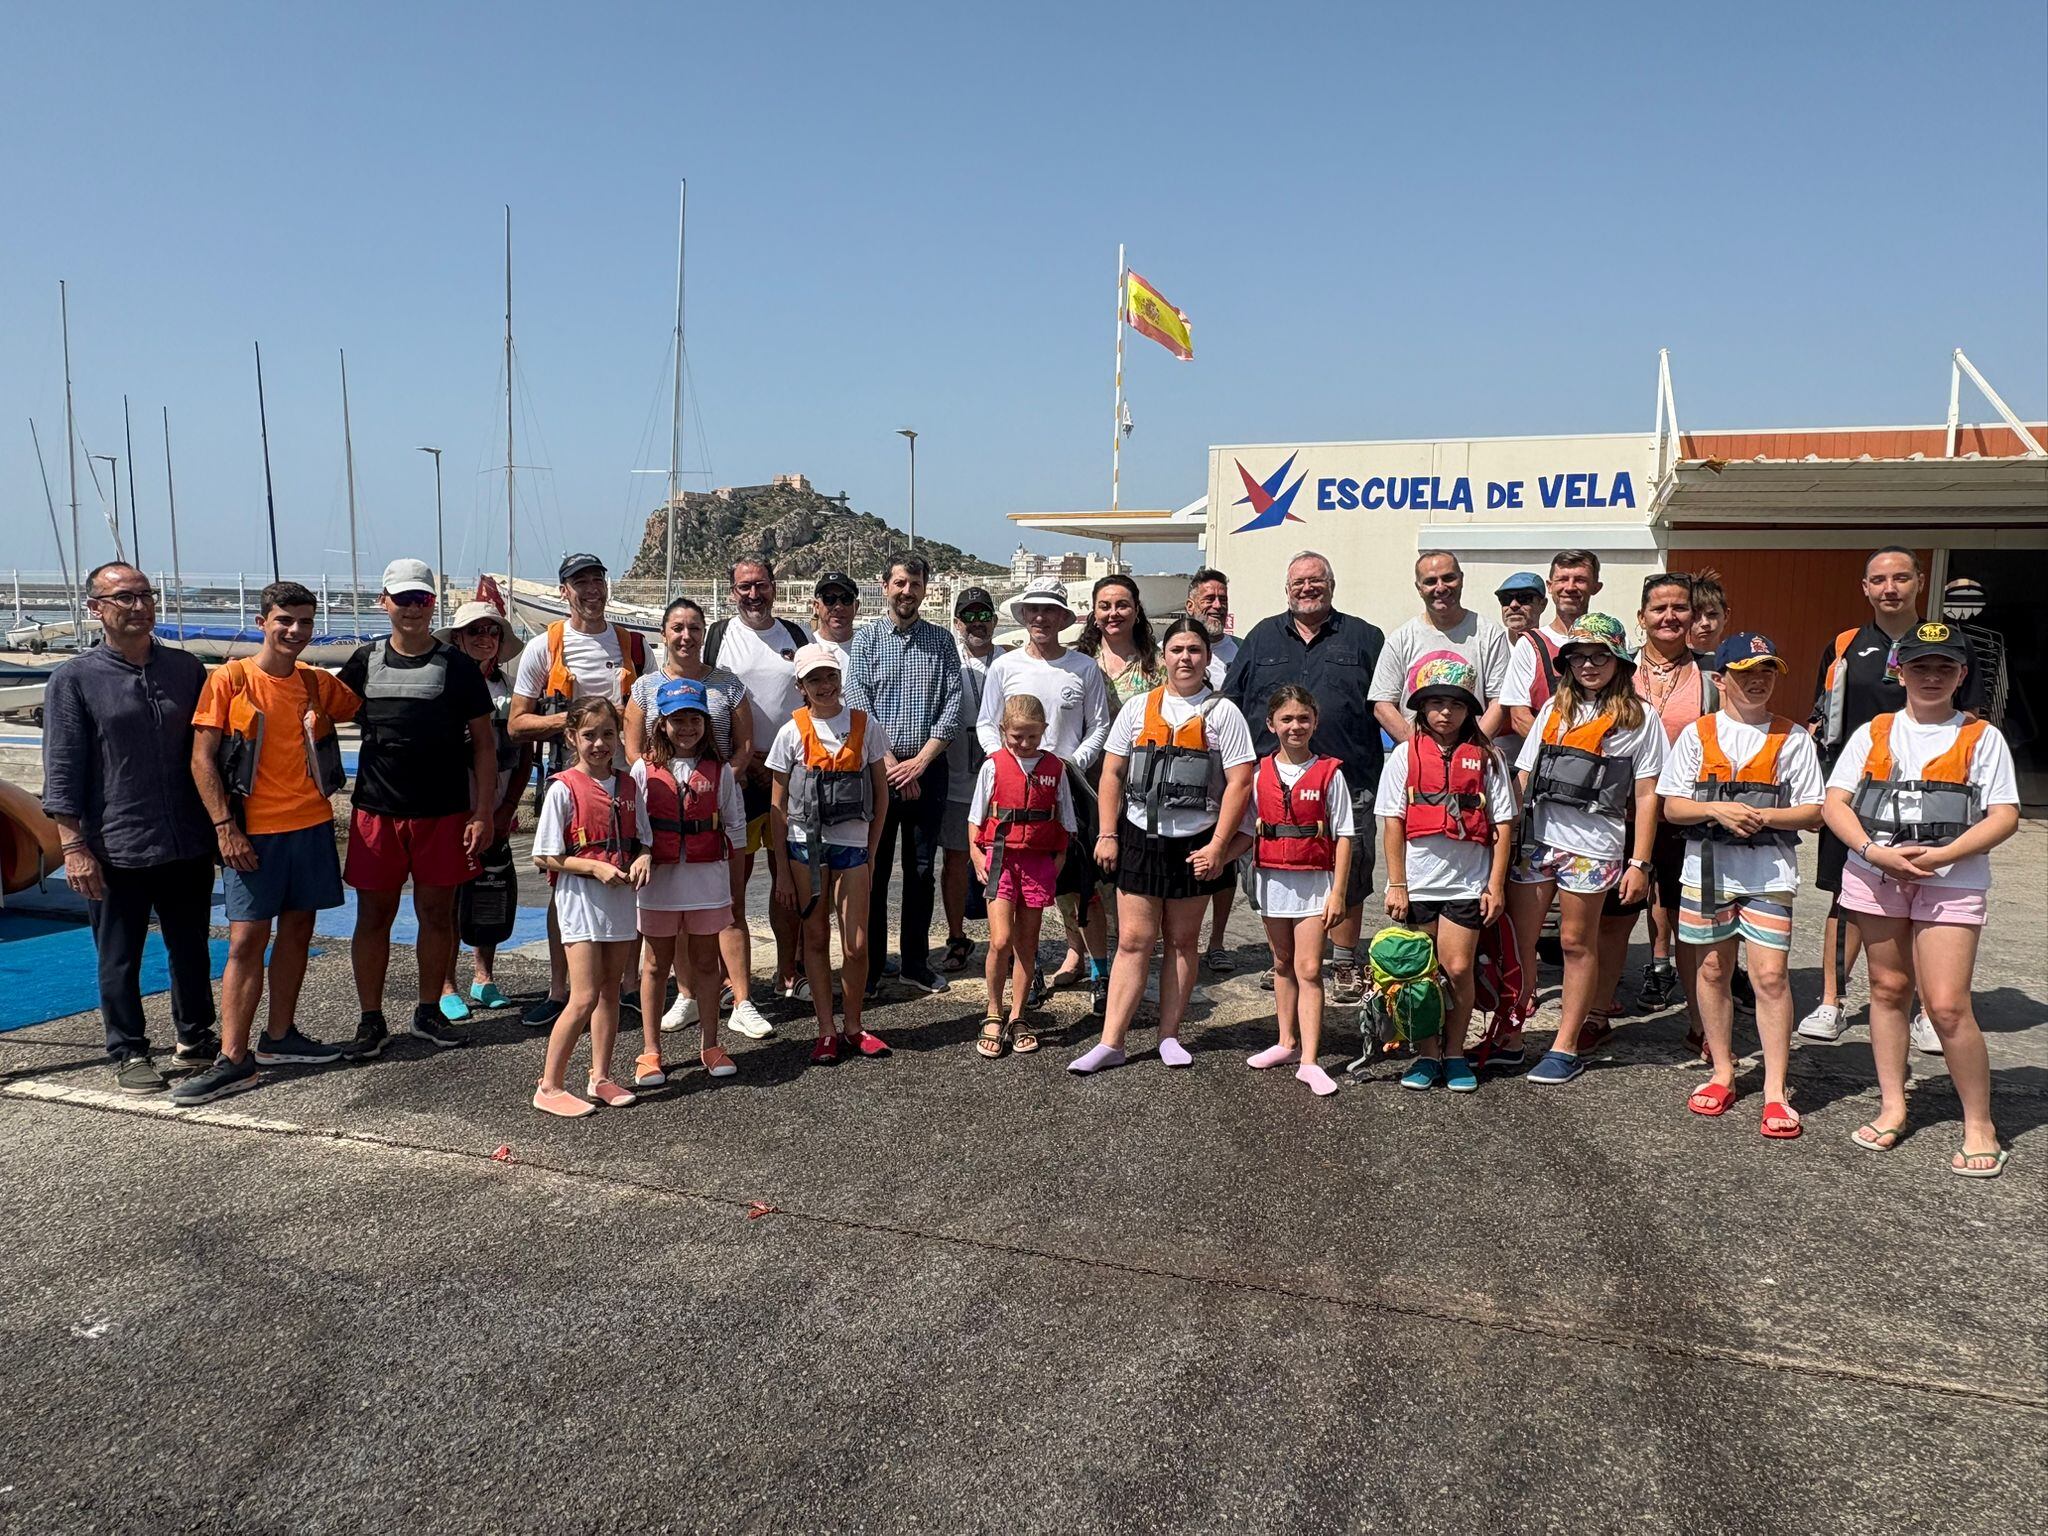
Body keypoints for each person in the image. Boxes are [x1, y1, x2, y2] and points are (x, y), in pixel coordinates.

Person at [1822, 620, 2019, 1177]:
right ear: (1900, 671)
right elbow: (1835, 802)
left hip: (1951, 880)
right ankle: (1893, 1104)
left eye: (1944, 667)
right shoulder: (1874, 731)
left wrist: (1943, 855)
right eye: (1920, 666)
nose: (1932, 676)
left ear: (1961, 674)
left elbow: (2004, 815)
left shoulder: (1983, 738)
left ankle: (1979, 1123)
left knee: (1948, 1004)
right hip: (1876, 874)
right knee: (1887, 989)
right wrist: (1872, 852)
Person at [175, 581, 361, 1105]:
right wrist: (224, 827)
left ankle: (280, 1035)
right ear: (262, 623)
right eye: (284, 620)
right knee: (245, 941)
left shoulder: (316, 682)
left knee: (298, 930)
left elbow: (371, 705)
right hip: (252, 832)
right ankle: (233, 1057)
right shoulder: (230, 679)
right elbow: (201, 759)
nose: (295, 631)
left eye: (305, 622)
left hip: (312, 825)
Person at [1799, 547, 1988, 1048]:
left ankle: (1926, 1010)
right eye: (1879, 580)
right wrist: (1824, 793)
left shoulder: (1949, 644)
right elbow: (1822, 719)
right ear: (1865, 588)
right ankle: (1832, 1001)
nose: (1890, 588)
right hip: (1858, 796)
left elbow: (1972, 720)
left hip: (1933, 796)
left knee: (1930, 902)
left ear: (1920, 582)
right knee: (1844, 898)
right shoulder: (1845, 644)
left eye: (1901, 578)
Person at [41, 562, 218, 1093]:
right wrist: (73, 847)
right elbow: (62, 770)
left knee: (192, 946)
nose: (138, 606)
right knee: (119, 956)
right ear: (96, 608)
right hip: (115, 844)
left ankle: (196, 1035)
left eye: (145, 595)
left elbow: (211, 751)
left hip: (186, 838)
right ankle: (128, 1050)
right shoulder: (74, 679)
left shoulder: (186, 669)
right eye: (124, 598)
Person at [1656, 633, 1825, 1138]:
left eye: (1767, 672)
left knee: (1770, 977)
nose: (1758, 681)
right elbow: (1672, 807)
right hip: (1707, 871)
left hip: (1769, 873)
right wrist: (1716, 809)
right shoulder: (1697, 734)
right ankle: (1723, 1070)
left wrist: (1761, 816)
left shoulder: (1794, 737)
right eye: (1746, 672)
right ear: (1720, 679)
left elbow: (1814, 812)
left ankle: (1775, 1090)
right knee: (1712, 970)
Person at [1069, 618, 1256, 1074]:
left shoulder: (1224, 714)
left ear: (1207, 657)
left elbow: (1240, 782)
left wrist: (1218, 847)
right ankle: (1111, 1042)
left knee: (1182, 941)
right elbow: (1112, 772)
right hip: (1140, 836)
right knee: (1133, 941)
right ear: (1164, 656)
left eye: (1194, 650)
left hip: (1196, 842)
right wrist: (1108, 834)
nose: (1185, 658)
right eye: (1177, 650)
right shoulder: (1138, 708)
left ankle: (1169, 1035)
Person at [337, 559, 496, 1057]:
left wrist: (483, 812)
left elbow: (484, 745)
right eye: (402, 599)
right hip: (376, 812)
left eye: (421, 599)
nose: (412, 608)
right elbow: (318, 717)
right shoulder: (363, 662)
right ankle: (370, 1019)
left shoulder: (458, 667)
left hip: (443, 813)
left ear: (433, 604)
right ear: (383, 602)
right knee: (373, 916)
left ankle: (429, 1011)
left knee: (437, 915)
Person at [1503, 615, 1664, 1086]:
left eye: (1599, 656)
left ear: (1620, 662)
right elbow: (1524, 776)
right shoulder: (1554, 709)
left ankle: (1565, 1046)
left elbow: (1647, 795)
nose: (1588, 665)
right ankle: (1509, 1037)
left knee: (1576, 942)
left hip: (1593, 848)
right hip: (1538, 842)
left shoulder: (1641, 718)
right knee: (1520, 941)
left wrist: (1640, 863)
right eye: (1578, 657)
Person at [1221, 550, 1386, 1004]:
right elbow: (1231, 702)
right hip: (1275, 784)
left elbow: (1386, 703)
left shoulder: (1365, 637)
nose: (1308, 588)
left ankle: (1345, 960)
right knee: (1275, 867)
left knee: (1350, 867)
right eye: (1299, 583)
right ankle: (1285, 960)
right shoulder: (1261, 638)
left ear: (1331, 585)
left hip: (1348, 780)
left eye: (1316, 581)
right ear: (1287, 589)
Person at [509, 552, 648, 1028]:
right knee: (562, 885)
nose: (591, 590)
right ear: (564, 591)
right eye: (580, 582)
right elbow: (517, 724)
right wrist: (576, 722)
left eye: (597, 580)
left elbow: (649, 709)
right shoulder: (543, 647)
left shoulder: (634, 645)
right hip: (568, 782)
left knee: (630, 877)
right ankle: (559, 989)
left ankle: (628, 986)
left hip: (625, 781)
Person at [622, 596, 770, 1041]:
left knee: (730, 909)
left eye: (694, 628)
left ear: (704, 633)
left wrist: (717, 781)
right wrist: (667, 786)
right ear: (664, 633)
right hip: (664, 818)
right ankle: (686, 995)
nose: (686, 636)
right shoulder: (645, 688)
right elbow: (633, 751)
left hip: (717, 809)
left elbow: (744, 745)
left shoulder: (728, 684)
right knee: (679, 918)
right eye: (677, 628)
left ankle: (741, 1000)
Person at [1377, 656, 1517, 1092]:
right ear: (1421, 707)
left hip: (1467, 883)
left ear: (1469, 710)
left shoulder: (1488, 757)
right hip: (1419, 883)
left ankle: (1454, 1053)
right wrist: (1397, 883)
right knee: (1422, 974)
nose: (1445, 713)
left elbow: (1503, 823)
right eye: (1436, 703)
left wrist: (1495, 885)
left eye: (1456, 704)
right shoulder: (1404, 755)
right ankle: (1426, 1054)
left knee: (1457, 968)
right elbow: (1393, 821)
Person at [976, 577, 1115, 1011]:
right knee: (1022, 895)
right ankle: (1029, 969)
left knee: (1083, 889)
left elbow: (1100, 725)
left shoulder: (1084, 667)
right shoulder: (1005, 666)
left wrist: (1073, 762)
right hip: (1016, 796)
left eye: (1049, 610)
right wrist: (1006, 764)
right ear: (1023, 616)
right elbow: (987, 723)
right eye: (1033, 610)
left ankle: (1100, 972)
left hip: (1067, 787)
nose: (1041, 618)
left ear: (1062, 617)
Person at [1603, 574, 1719, 1032]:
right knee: (1613, 918)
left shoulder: (1712, 677)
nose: (1670, 617)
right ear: (1641, 617)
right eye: (1659, 609)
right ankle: (1597, 1012)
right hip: (1623, 812)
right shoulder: (1618, 671)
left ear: (1693, 615)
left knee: (1687, 919)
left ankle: (1701, 1023)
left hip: (1684, 814)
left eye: (1679, 608)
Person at [846, 552, 962, 996]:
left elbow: (952, 706)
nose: (906, 592)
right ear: (885, 586)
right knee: (873, 870)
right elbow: (859, 705)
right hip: (880, 770)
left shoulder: (942, 641)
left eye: (914, 584)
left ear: (925, 589)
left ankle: (915, 962)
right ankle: (872, 967)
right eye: (899, 583)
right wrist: (891, 763)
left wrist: (921, 762)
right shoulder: (867, 640)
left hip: (927, 770)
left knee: (920, 870)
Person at [530, 697, 651, 1117]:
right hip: (581, 900)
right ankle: (549, 1086)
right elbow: (545, 855)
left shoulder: (630, 786)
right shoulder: (563, 788)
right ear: (571, 738)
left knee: (610, 990)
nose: (600, 744)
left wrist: (643, 858)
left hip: (620, 900)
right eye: (589, 735)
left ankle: (600, 1076)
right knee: (582, 996)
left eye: (608, 734)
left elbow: (644, 840)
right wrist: (594, 868)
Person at [769, 645, 891, 1062]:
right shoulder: (791, 733)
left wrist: (872, 852)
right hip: (806, 846)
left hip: (853, 847)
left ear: (840, 678)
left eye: (830, 676)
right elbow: (778, 807)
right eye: (814, 679)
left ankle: (854, 1025)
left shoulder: (865, 725)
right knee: (816, 937)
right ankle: (826, 1030)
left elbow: (881, 794)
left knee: (856, 944)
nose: (825, 686)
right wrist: (782, 871)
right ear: (801, 686)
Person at [701, 557, 812, 1001]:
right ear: (733, 592)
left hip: (790, 776)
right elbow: (705, 705)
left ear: (774, 587)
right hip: (739, 779)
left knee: (789, 882)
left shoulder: (796, 636)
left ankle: (788, 972)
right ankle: (732, 978)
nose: (753, 594)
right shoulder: (717, 637)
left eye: (760, 585)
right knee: (734, 884)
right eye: (744, 587)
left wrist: (783, 763)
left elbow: (810, 699)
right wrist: (742, 763)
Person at [632, 678, 748, 1087]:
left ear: (706, 723)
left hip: (707, 881)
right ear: (661, 724)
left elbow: (735, 826)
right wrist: (641, 853)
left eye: (694, 719)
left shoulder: (721, 771)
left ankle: (711, 1044)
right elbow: (636, 826)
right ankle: (650, 1051)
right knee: (654, 965)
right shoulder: (643, 769)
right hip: (659, 884)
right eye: (677, 720)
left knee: (706, 963)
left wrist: (734, 887)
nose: (686, 728)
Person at [1243, 685, 1354, 1097]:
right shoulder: (1258, 775)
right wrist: (1214, 855)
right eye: (1286, 719)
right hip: (1272, 881)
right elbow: (1244, 830)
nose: (1295, 726)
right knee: (1282, 963)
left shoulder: (1330, 774)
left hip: (1314, 884)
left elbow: (1345, 836)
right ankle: (1285, 1043)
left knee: (1309, 969)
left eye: (1303, 718)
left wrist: (1338, 892)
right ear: (1271, 724)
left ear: (1315, 722)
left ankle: (1309, 1060)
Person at [434, 600, 533, 1019]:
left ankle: (483, 976)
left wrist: (507, 807)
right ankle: (446, 983)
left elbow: (525, 756)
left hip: (495, 809)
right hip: (450, 809)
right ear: (458, 637)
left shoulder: (510, 691)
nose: (484, 638)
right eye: (474, 630)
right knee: (448, 898)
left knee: (490, 892)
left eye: (492, 631)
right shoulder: (441, 684)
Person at [968, 694, 1077, 1058]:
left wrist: (1059, 858)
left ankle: (1018, 1016)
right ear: (1004, 731)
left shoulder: (1055, 768)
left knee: (1026, 944)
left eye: (1033, 736)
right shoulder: (993, 766)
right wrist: (976, 854)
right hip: (1000, 858)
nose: (1026, 743)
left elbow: (1066, 817)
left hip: (1038, 863)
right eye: (1017, 737)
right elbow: (975, 818)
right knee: (1000, 940)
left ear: (1044, 730)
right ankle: (993, 1011)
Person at [1369, 551, 1512, 745]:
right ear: (1419, 588)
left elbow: (1499, 702)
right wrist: (1419, 750)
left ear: (1461, 579)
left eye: (1448, 578)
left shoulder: (1490, 634)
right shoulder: (1400, 638)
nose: (1441, 587)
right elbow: (1383, 704)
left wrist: (1470, 749)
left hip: (1472, 754)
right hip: (1414, 755)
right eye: (1430, 581)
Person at [940, 586, 1006, 972]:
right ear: (957, 622)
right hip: (956, 779)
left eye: (984, 616)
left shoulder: (1009, 661)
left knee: (1005, 859)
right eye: (969, 617)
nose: (976, 623)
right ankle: (956, 936)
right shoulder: (949, 661)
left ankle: (1004, 939)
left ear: (994, 621)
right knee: (954, 859)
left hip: (1001, 780)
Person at [1186, 567, 1242, 974]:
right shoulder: (1175, 648)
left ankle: (1217, 941)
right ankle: (1180, 939)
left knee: (1224, 858)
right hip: (1181, 772)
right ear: (1191, 604)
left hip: (1228, 773)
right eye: (1209, 599)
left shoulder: (1243, 652)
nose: (1217, 606)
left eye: (1222, 599)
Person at [1503, 549, 1605, 743]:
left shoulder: (1610, 642)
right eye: (1562, 579)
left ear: (1596, 587)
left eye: (1580, 580)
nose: (1570, 587)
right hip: (1549, 756)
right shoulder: (1529, 644)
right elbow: (1520, 718)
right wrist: (1564, 751)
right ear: (1550, 586)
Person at [1490, 571, 1550, 766]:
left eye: (1524, 598)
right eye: (1505, 599)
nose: (1513, 605)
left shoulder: (1552, 648)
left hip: (1541, 761)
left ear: (1543, 604)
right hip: (1492, 760)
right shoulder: (1490, 647)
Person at [1074, 573, 1160, 705]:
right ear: (1095, 612)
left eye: (1122, 605)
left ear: (1136, 610)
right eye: (1105, 607)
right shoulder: (1078, 661)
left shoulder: (1158, 663)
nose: (1113, 613)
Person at [809, 570, 860, 674]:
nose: (838, 607)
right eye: (829, 599)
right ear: (816, 606)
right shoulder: (806, 647)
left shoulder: (868, 649)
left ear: (856, 606)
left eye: (846, 599)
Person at [1688, 569, 1730, 661]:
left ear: (1726, 615)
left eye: (1712, 614)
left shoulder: (1738, 662)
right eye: (1695, 616)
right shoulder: (1674, 662)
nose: (1705, 623)